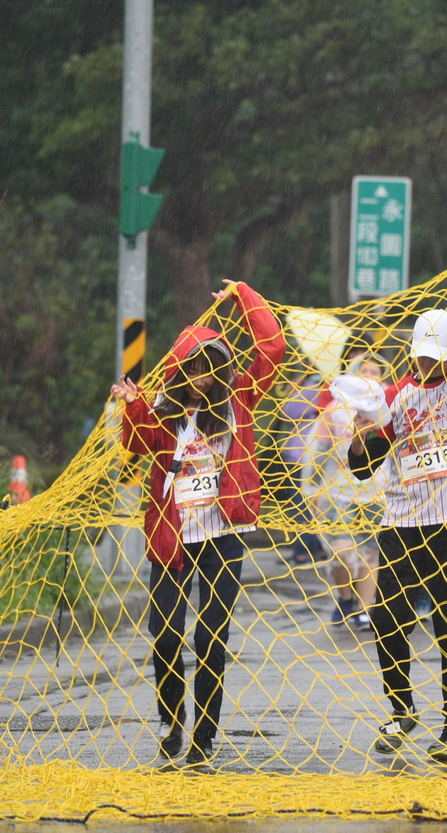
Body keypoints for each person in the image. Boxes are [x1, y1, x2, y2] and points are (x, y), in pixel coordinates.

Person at [348, 217, 447, 763]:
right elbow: (363, 467)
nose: (426, 361)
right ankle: (401, 712)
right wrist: (360, 430)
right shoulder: (397, 395)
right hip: (401, 526)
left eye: (435, 352)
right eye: (421, 352)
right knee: (389, 619)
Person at [111, 279, 285, 767]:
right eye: (196, 369)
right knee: (165, 634)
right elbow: (137, 444)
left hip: (223, 535)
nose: (204, 378)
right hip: (172, 537)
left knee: (211, 636)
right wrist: (132, 407)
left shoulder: (239, 401)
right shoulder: (164, 414)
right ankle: (172, 720)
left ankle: (204, 736)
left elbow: (273, 346)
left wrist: (245, 296)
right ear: (181, 370)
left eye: (213, 368)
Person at [310, 354, 389, 629]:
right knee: (341, 551)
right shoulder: (335, 408)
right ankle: (345, 598)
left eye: (375, 372)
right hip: (339, 492)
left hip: (377, 493)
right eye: (364, 371)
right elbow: (318, 453)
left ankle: (365, 609)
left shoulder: (388, 408)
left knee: (370, 552)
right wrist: (313, 488)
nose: (370, 376)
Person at [272, 367, 329, 566]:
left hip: (301, 453)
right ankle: (317, 548)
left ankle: (302, 551)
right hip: (319, 453)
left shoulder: (311, 387)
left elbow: (287, 412)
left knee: (299, 502)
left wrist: (294, 390)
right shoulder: (329, 387)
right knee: (313, 502)